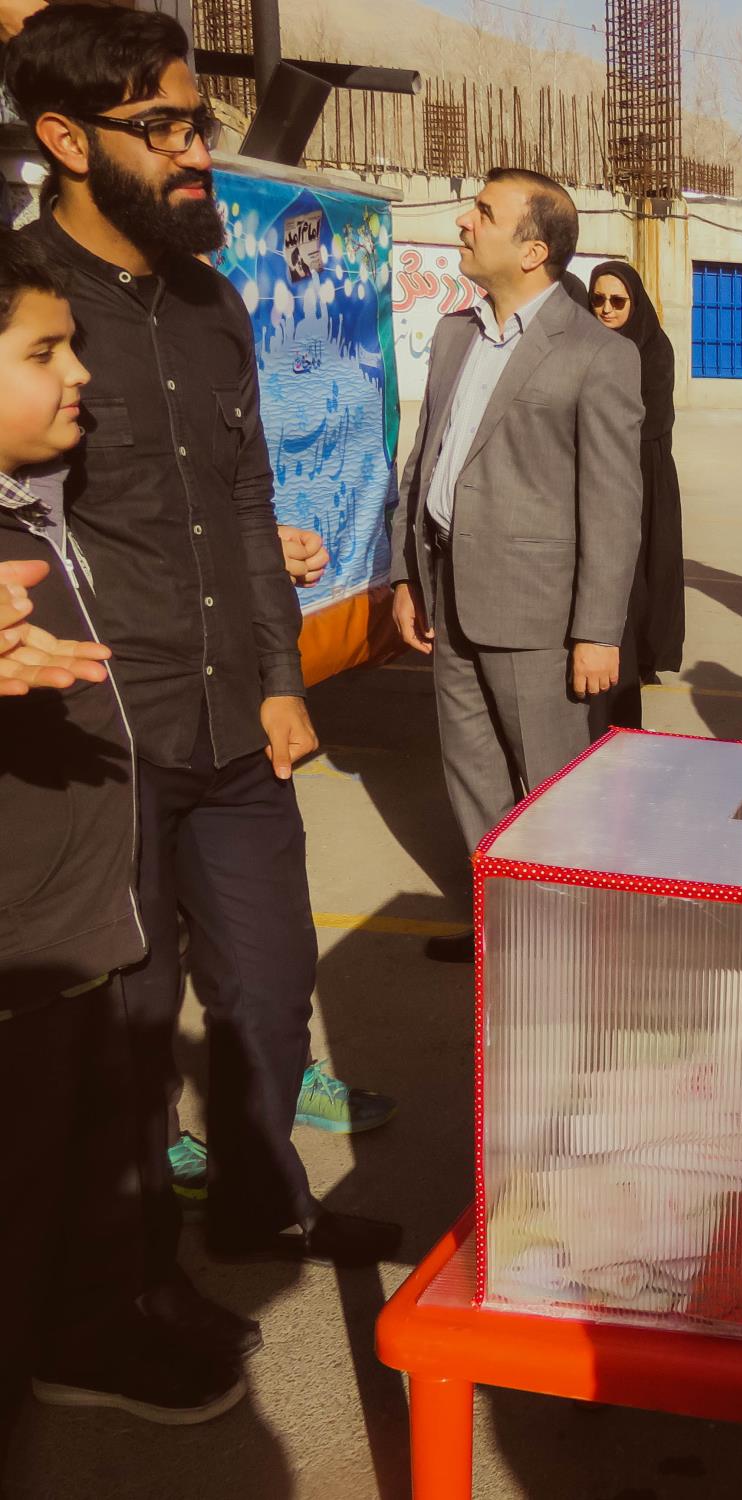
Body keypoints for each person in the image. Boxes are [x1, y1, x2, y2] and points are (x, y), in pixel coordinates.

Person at [8, 6, 401, 1331]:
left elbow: (242, 494)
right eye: (163, 126)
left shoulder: (210, 299)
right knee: (128, 1021)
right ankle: (129, 1284)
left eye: (199, 121)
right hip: (93, 736)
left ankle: (261, 1202)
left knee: (269, 990)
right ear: (66, 139)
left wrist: (282, 676)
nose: (195, 151)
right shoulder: (22, 310)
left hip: (237, 718)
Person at [0, 229, 249, 1445]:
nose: (80, 373)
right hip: (22, 948)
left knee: (67, 1173)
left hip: (73, 928)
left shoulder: (35, 504)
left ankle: (83, 1332)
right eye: (44, 352)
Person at [388, 168, 643, 964]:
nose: (463, 223)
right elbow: (425, 462)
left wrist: (598, 630)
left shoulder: (598, 354)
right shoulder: (456, 334)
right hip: (447, 595)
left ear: (533, 250)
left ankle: (574, 950)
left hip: (538, 618)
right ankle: (506, 933)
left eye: (484, 213)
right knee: (473, 780)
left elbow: (613, 504)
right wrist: (406, 575)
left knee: (554, 790)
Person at [584, 260, 683, 734]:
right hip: (600, 468)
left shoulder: (653, 349)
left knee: (642, 569)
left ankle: (641, 653)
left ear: (635, 303)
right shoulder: (585, 345)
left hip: (643, 470)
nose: (606, 309)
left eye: (617, 300)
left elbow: (651, 419)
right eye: (598, 299)